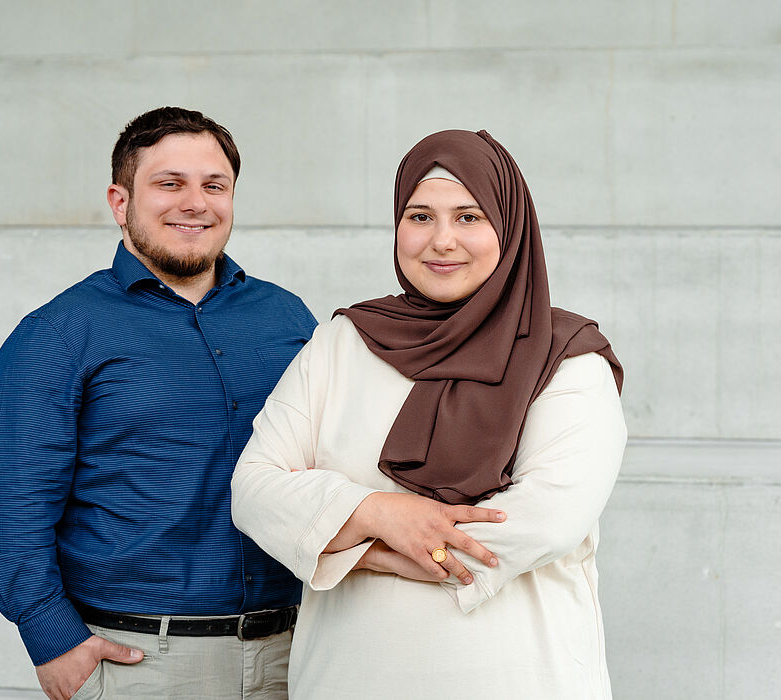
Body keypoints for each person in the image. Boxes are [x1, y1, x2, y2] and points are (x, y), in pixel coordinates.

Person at [231, 129, 627, 698]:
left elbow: (549, 518)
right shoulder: (345, 341)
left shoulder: (566, 358)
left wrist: (357, 546)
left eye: (469, 217)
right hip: (348, 677)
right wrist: (376, 513)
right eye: (420, 216)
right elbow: (254, 488)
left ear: (509, 227)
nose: (442, 241)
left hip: (514, 677)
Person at [0, 106, 317, 700]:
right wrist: (52, 638)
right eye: (169, 183)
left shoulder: (286, 318)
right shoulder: (61, 331)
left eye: (215, 186)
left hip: (297, 651)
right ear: (120, 201)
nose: (195, 203)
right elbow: (11, 504)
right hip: (142, 664)